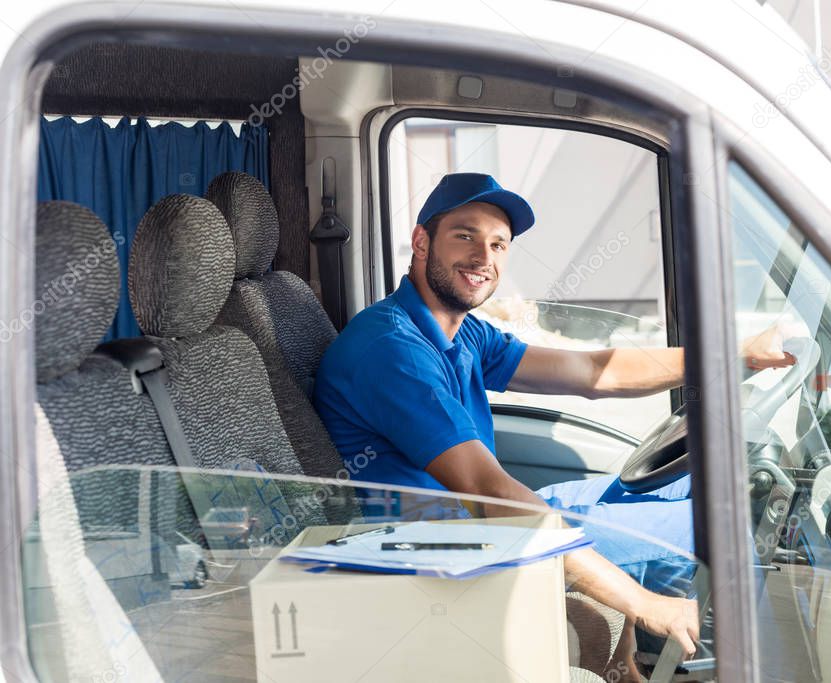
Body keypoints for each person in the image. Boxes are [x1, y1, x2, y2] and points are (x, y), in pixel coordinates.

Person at [313, 173, 793, 666]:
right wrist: (643, 605)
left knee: (685, 487)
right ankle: (763, 665)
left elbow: (591, 372)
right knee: (713, 521)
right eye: (465, 236)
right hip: (440, 553)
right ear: (421, 241)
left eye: (499, 244)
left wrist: (737, 355)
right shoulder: (392, 350)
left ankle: (640, 662)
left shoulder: (463, 333)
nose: (484, 257)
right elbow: (493, 493)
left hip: (474, 524)